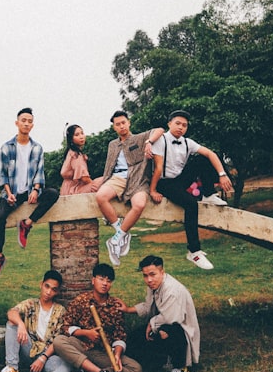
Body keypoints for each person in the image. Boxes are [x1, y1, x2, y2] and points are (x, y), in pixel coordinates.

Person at [149, 109, 234, 270]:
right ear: (169, 124)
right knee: (191, 204)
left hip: (180, 180)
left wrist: (222, 175)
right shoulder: (162, 140)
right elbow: (158, 169)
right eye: (177, 123)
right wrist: (152, 190)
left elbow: (211, 153)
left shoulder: (188, 142)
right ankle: (194, 251)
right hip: (164, 183)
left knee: (202, 158)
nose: (181, 127)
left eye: (184, 125)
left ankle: (208, 194)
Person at [0, 108, 60, 280]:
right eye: (23, 120)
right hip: (12, 193)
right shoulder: (7, 147)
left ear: (32, 125)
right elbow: (3, 174)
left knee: (52, 193)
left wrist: (36, 189)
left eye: (29, 121)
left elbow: (39, 172)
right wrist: (8, 194)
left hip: (30, 192)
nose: (26, 123)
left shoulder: (37, 148)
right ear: (17, 123)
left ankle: (27, 224)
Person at [51, 263, 143, 372]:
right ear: (93, 280)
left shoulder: (115, 305)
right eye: (101, 279)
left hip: (103, 353)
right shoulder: (81, 301)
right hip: (82, 347)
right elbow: (65, 327)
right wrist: (85, 333)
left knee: (136, 370)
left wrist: (117, 354)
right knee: (59, 341)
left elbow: (120, 335)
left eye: (108, 280)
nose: (105, 283)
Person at [119, 254, 201, 372]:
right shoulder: (153, 286)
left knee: (166, 331)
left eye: (153, 274)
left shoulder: (172, 290)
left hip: (179, 330)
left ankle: (181, 369)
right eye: (145, 275)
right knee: (133, 339)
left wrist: (151, 324)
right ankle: (162, 360)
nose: (149, 280)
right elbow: (147, 306)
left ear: (162, 272)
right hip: (162, 323)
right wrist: (127, 309)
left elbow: (170, 318)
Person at [0, 270, 72, 372]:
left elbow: (59, 339)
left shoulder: (60, 311)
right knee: (12, 323)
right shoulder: (31, 304)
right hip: (29, 349)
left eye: (53, 289)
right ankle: (12, 368)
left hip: (48, 355)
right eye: (47, 286)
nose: (48, 292)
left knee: (67, 365)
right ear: (41, 285)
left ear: (57, 292)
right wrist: (21, 324)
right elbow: (11, 312)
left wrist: (43, 359)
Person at [95, 110, 164, 266]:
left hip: (138, 179)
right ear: (114, 127)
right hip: (117, 178)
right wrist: (103, 181)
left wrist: (149, 142)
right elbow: (108, 167)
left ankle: (116, 239)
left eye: (123, 123)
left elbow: (160, 130)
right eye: (117, 124)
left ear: (129, 122)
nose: (121, 126)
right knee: (100, 196)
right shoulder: (112, 144)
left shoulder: (139, 138)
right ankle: (122, 232)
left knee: (139, 204)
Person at [59, 124, 104, 195]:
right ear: (71, 139)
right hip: (73, 190)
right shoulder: (75, 155)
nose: (81, 137)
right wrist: (93, 185)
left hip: (67, 188)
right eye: (77, 135)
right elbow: (84, 178)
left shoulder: (71, 152)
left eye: (82, 133)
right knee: (105, 180)